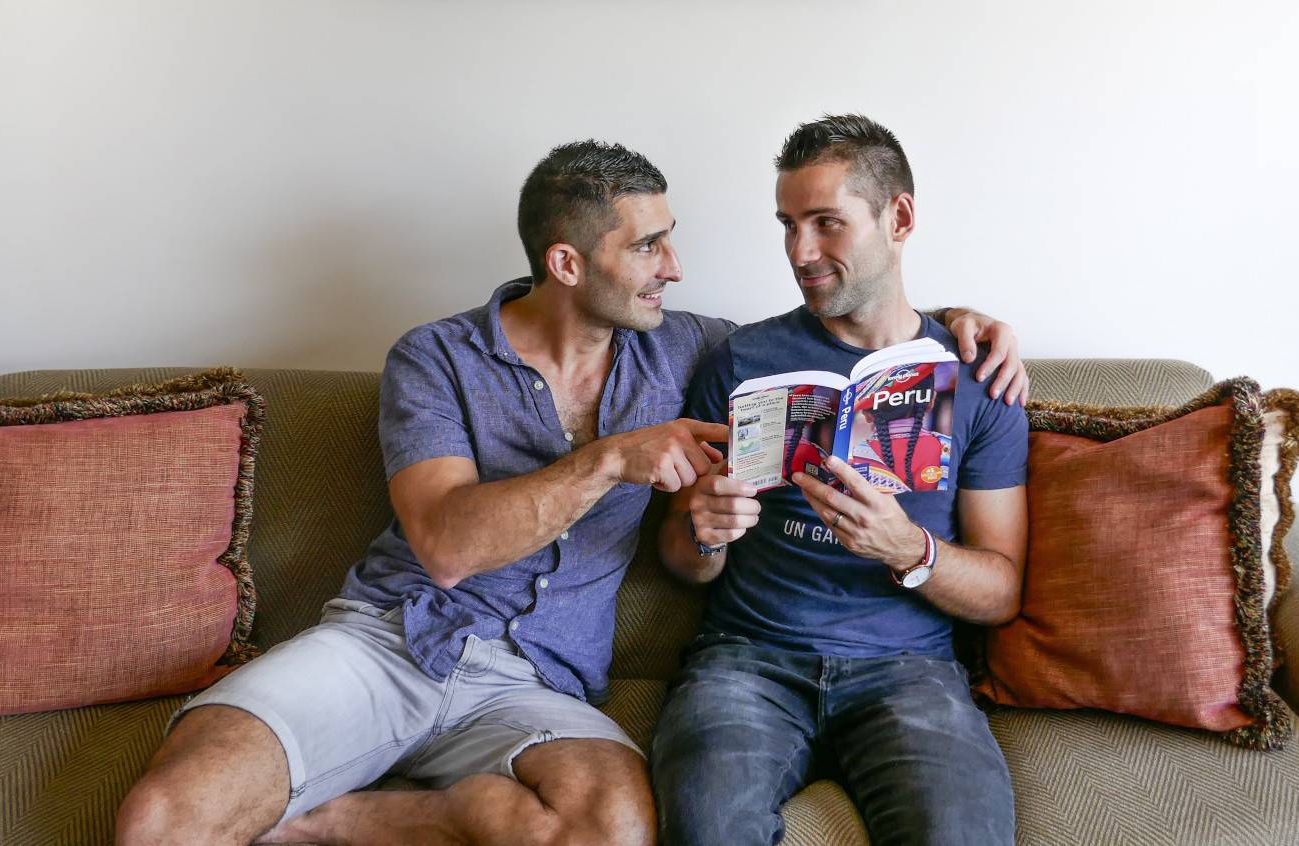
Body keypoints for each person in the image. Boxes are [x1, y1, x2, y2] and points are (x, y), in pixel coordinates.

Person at [116, 138, 1027, 846]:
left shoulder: (691, 347)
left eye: (670, 240)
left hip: (542, 682)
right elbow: (445, 543)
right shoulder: (434, 358)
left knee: (616, 831)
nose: (674, 266)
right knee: (163, 819)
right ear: (566, 265)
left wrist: (960, 323)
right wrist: (614, 464)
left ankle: (347, 821)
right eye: (650, 246)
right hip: (393, 638)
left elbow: (850, 323)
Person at [653, 115, 1028, 846]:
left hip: (909, 669)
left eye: (827, 223)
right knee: (706, 828)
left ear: (900, 217)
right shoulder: (740, 362)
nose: (801, 252)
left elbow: (1003, 590)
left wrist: (907, 549)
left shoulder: (977, 375)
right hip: (747, 659)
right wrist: (705, 533)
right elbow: (678, 561)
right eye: (788, 225)